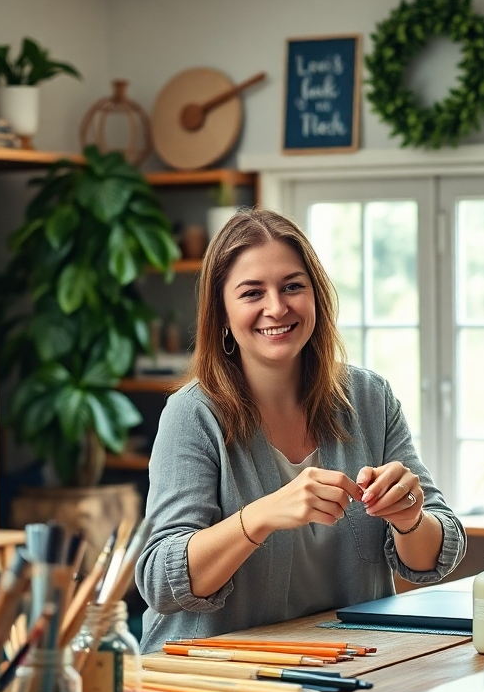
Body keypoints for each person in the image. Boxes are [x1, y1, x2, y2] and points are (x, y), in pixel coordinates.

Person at [136, 208, 465, 652]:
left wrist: (410, 519)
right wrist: (263, 515)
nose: (277, 307)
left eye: (293, 286)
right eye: (253, 293)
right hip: (217, 677)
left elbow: (436, 554)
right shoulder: (193, 414)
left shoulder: (369, 397)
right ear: (222, 313)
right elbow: (159, 579)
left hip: (345, 665)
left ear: (316, 297)